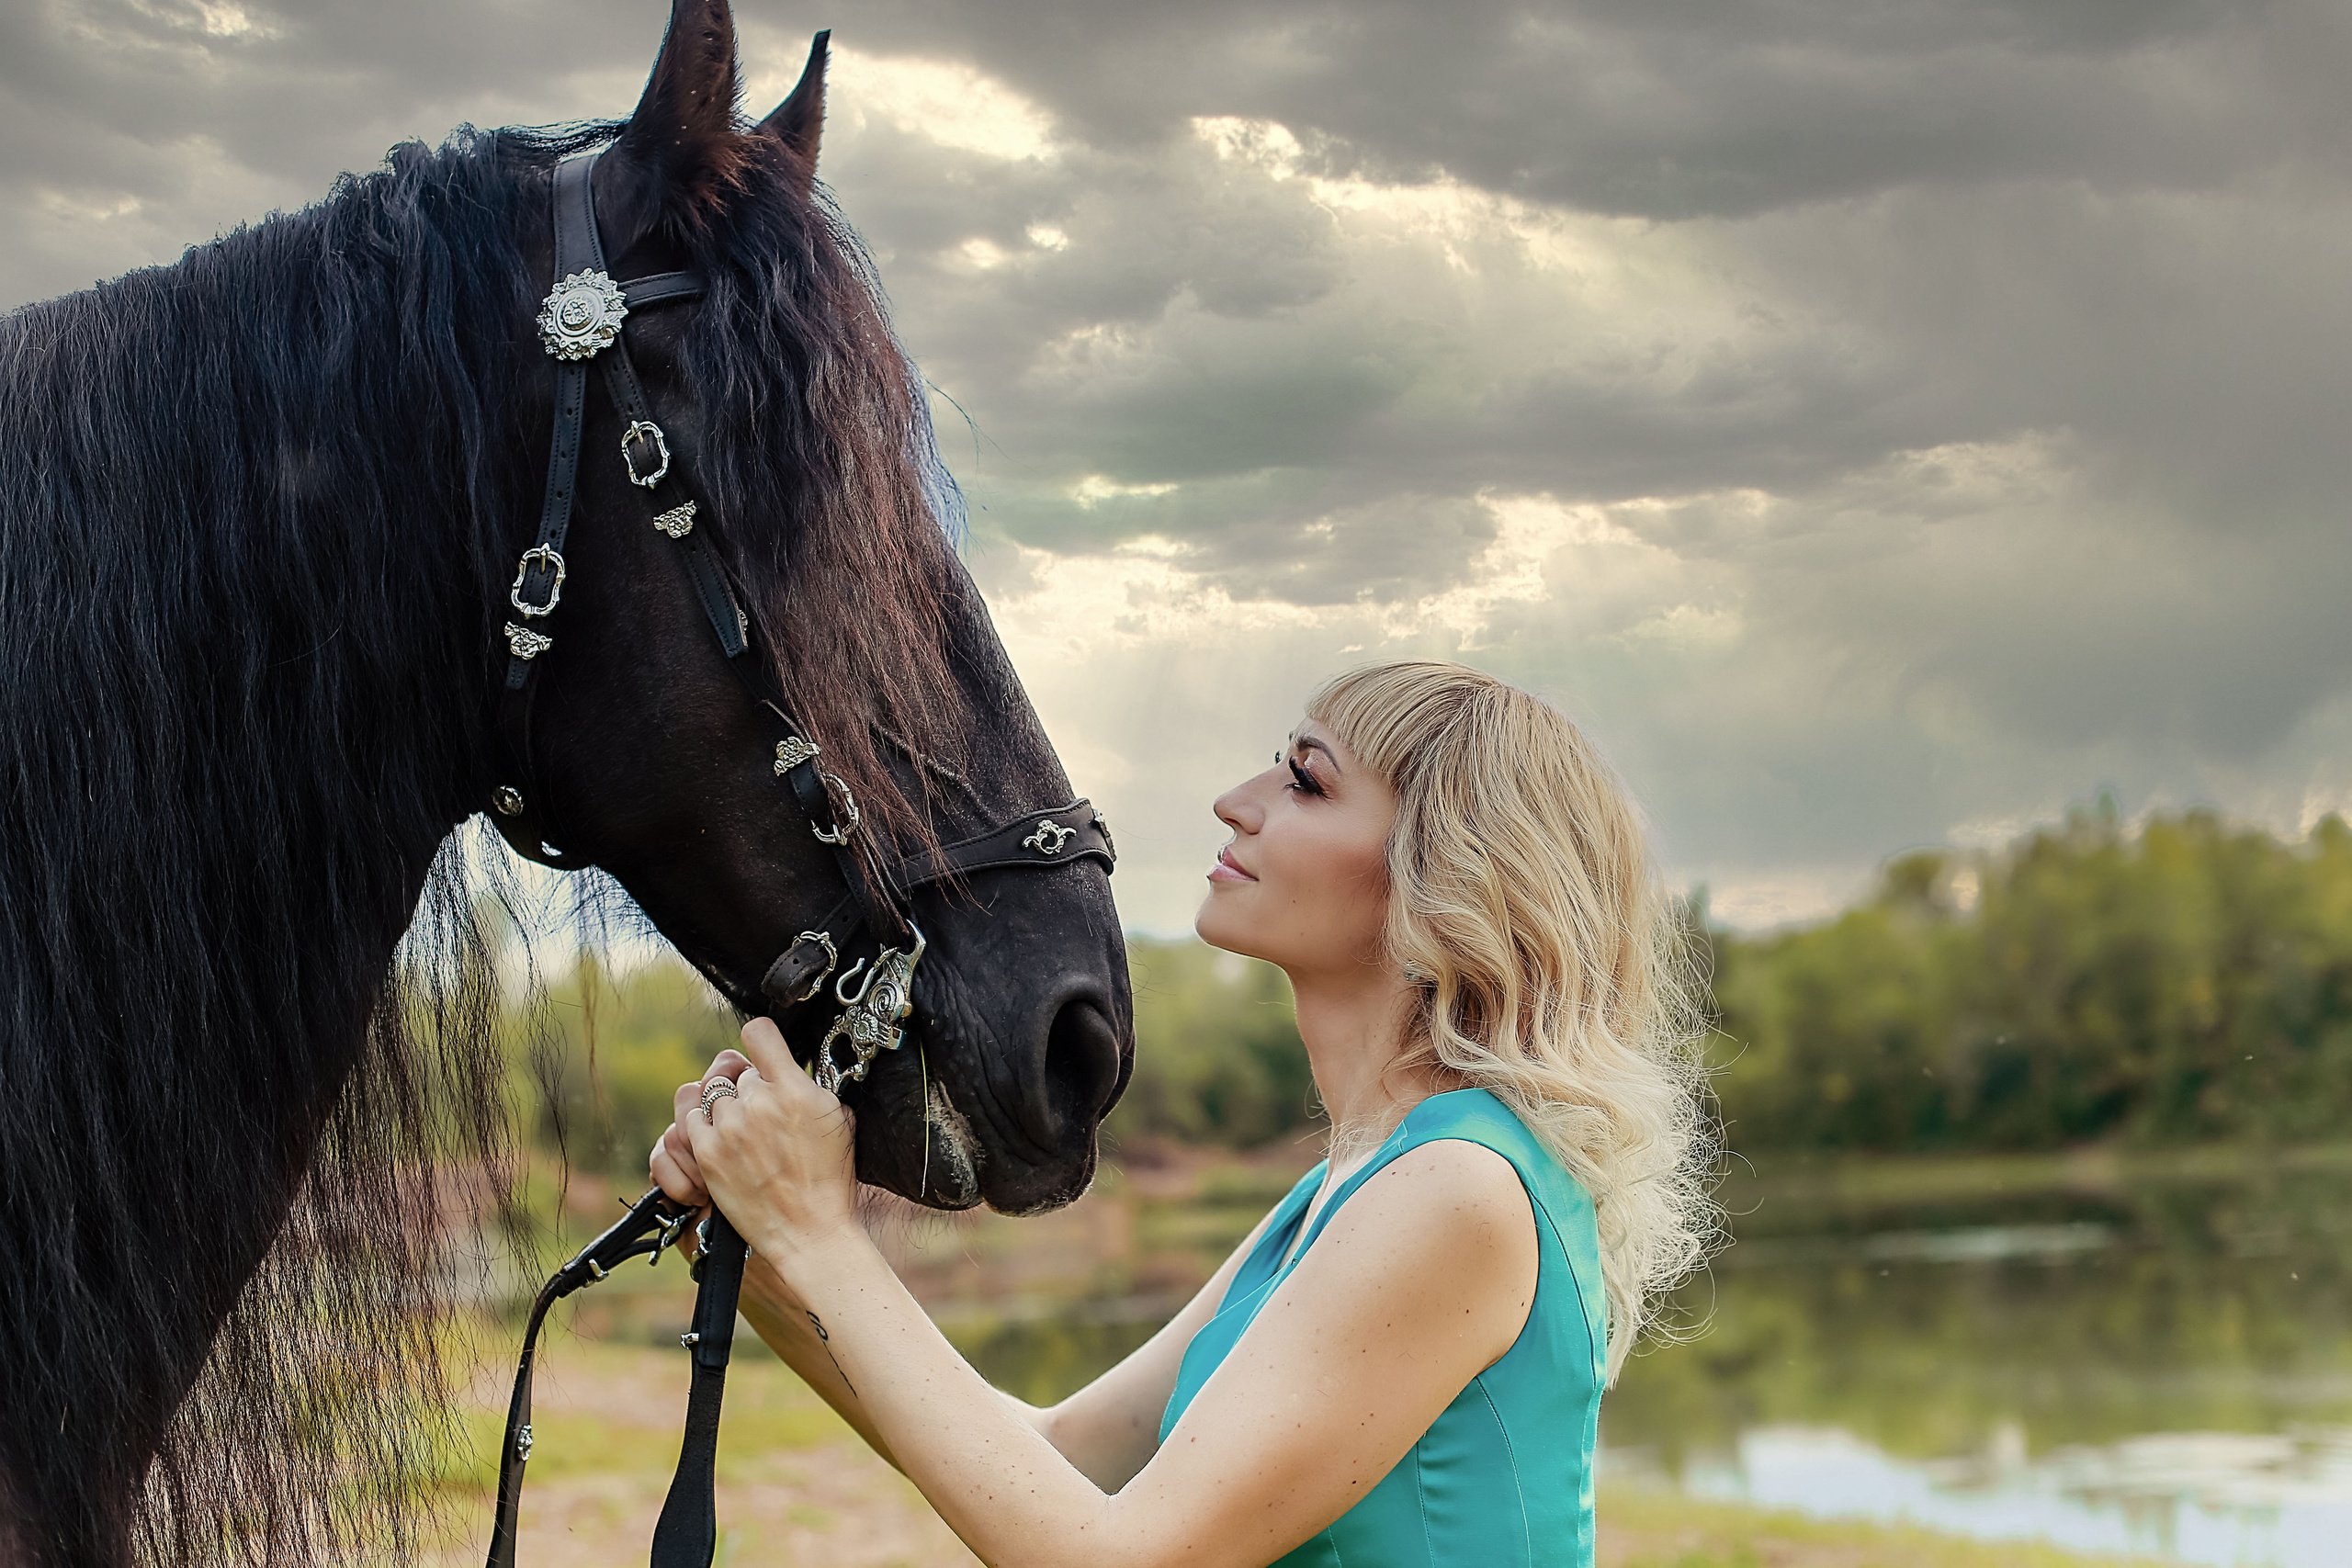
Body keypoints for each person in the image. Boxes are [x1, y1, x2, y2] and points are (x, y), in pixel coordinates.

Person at [650, 659, 1715, 1567]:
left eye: (1304, 781)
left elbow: (1122, 1559)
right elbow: (1063, 1457)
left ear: (1444, 874)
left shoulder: (1459, 1190)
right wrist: (769, 1245)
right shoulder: (1360, 1182)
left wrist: (814, 1233)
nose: (1235, 800)